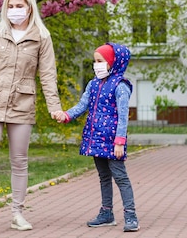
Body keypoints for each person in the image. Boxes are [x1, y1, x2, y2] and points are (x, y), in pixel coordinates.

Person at [0, 0, 63, 236]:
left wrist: (54, 107)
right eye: (10, 6)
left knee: (19, 161)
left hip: (22, 104)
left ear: (30, 7)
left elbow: (48, 75)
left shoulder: (41, 37)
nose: (14, 11)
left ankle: (17, 214)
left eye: (19, 6)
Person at [53, 42, 139, 232]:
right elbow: (82, 106)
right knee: (103, 177)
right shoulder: (93, 84)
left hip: (112, 141)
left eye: (100, 61)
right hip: (96, 140)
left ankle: (131, 215)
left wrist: (120, 142)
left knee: (121, 177)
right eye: (94, 61)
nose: (96, 64)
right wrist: (66, 115)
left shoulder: (120, 86)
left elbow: (123, 116)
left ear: (112, 62)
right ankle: (107, 213)